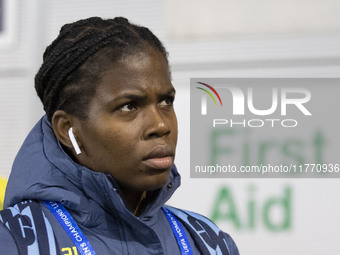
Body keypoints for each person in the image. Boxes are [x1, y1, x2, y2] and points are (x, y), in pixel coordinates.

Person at [0, 17, 239, 255]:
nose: (160, 124)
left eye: (166, 101)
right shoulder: (14, 242)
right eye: (129, 106)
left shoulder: (208, 243)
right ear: (68, 130)